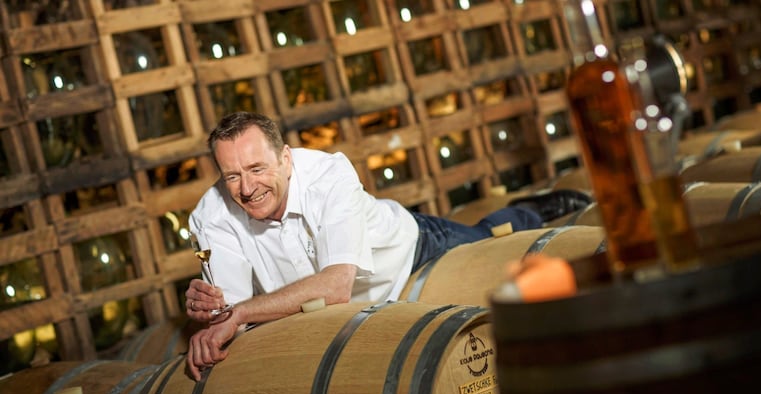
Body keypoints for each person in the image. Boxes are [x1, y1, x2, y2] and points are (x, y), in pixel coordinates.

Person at [183, 111, 590, 380]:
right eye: (232, 176)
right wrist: (210, 311)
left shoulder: (330, 174)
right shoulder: (211, 215)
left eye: (257, 169)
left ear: (287, 159)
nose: (247, 188)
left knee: (488, 235)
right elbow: (230, 314)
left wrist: (237, 313)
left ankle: (533, 208)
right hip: (352, 315)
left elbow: (336, 286)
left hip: (410, 248)